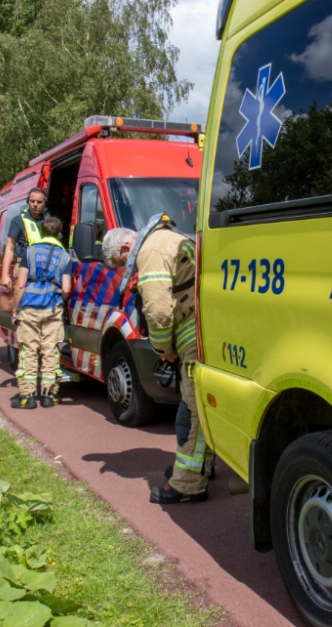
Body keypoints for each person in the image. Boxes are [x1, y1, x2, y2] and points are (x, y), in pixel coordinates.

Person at [103, 215, 214, 504]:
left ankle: (189, 484)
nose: (125, 268)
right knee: (195, 409)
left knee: (194, 412)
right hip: (204, 327)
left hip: (193, 334)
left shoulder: (151, 251)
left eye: (121, 262)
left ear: (127, 247)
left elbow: (158, 310)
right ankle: (200, 466)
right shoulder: (170, 237)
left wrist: (163, 349)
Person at [10, 216, 72, 410]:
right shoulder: (65, 256)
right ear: (59, 234)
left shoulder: (29, 252)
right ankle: (49, 395)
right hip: (52, 309)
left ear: (41, 232)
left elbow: (20, 284)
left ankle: (27, 396)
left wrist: (14, 310)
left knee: (29, 350)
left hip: (29, 308)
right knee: (50, 351)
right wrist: (57, 299)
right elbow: (67, 288)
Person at [1, 188, 49, 292]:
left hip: (45, 267)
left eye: (39, 202)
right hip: (24, 266)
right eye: (32, 201)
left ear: (45, 203)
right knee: (22, 303)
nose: (35, 204)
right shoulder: (18, 221)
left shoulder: (49, 221)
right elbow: (10, 248)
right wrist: (5, 275)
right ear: (28, 202)